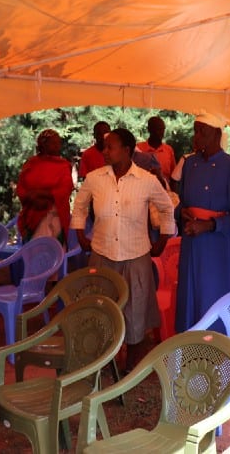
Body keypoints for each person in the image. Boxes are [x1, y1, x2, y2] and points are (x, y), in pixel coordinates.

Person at [72, 128, 176, 370]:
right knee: (102, 309)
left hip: (136, 256)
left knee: (136, 311)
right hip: (102, 255)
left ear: (127, 150)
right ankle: (106, 362)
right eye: (105, 147)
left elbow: (166, 207)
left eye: (111, 147)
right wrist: (80, 234)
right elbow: (79, 208)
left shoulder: (147, 180)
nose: (105, 151)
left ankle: (131, 367)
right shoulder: (95, 178)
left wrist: (163, 238)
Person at [175, 112, 230, 332]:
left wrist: (209, 225)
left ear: (217, 134)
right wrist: (183, 213)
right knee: (188, 294)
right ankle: (187, 348)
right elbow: (181, 202)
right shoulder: (189, 164)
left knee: (212, 294)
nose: (196, 137)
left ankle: (213, 347)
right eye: (195, 131)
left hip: (215, 244)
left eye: (202, 132)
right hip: (190, 241)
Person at [16, 129, 74, 244]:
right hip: (32, 214)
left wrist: (41, 194)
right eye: (53, 143)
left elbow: (65, 189)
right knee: (33, 255)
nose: (58, 146)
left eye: (59, 143)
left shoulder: (63, 165)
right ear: (43, 144)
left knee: (52, 256)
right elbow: (21, 188)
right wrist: (32, 198)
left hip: (55, 217)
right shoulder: (31, 163)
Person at [136, 116, 176, 185]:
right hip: (143, 190)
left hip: (165, 190)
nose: (161, 133)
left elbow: (173, 177)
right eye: (158, 129)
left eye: (163, 129)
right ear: (149, 130)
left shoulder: (168, 150)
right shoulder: (139, 148)